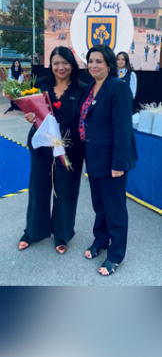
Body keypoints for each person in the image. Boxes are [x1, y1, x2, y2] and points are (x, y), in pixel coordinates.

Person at [18, 47, 87, 254]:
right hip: (42, 147)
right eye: (56, 63)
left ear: (72, 65)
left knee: (66, 192)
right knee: (38, 190)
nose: (60, 67)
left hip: (69, 149)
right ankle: (33, 231)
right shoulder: (40, 85)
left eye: (65, 63)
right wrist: (28, 116)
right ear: (51, 64)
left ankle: (62, 233)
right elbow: (31, 110)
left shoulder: (82, 89)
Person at [80, 45, 137, 276]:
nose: (93, 65)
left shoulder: (118, 87)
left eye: (99, 62)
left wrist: (119, 164)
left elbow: (123, 129)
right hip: (94, 158)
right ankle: (101, 241)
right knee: (99, 205)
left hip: (113, 161)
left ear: (109, 64)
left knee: (115, 209)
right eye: (90, 61)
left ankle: (116, 254)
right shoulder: (91, 87)